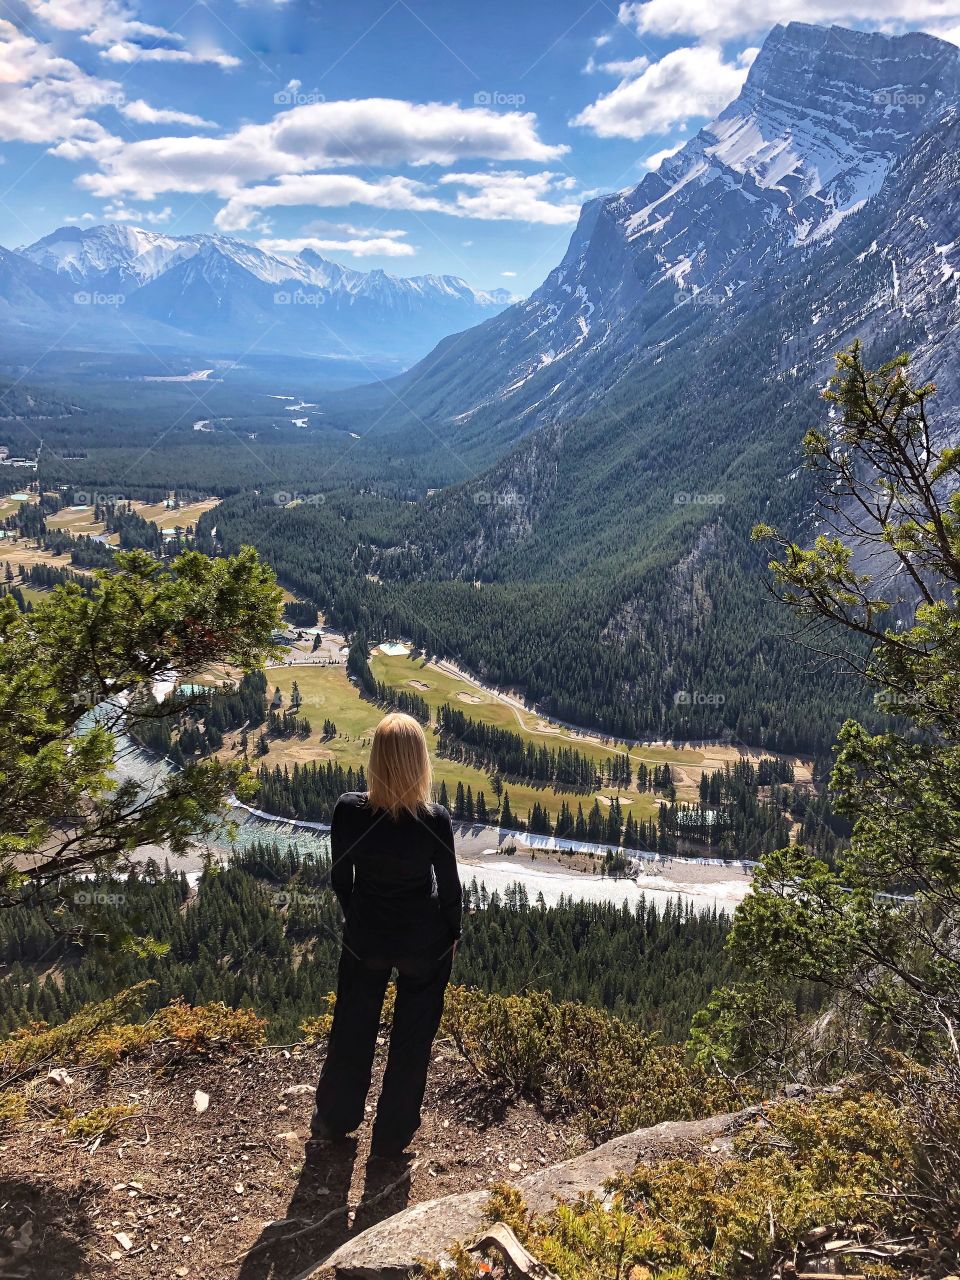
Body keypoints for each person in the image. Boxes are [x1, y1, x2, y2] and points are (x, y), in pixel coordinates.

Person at [311, 711, 462, 1158]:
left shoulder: (348, 810)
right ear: (420, 762)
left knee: (353, 1024)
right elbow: (450, 890)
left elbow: (341, 879)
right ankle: (392, 1136)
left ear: (375, 758)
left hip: (367, 938)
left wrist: (356, 917)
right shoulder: (434, 819)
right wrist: (452, 936)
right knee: (413, 1037)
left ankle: (336, 1118)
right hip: (422, 942)